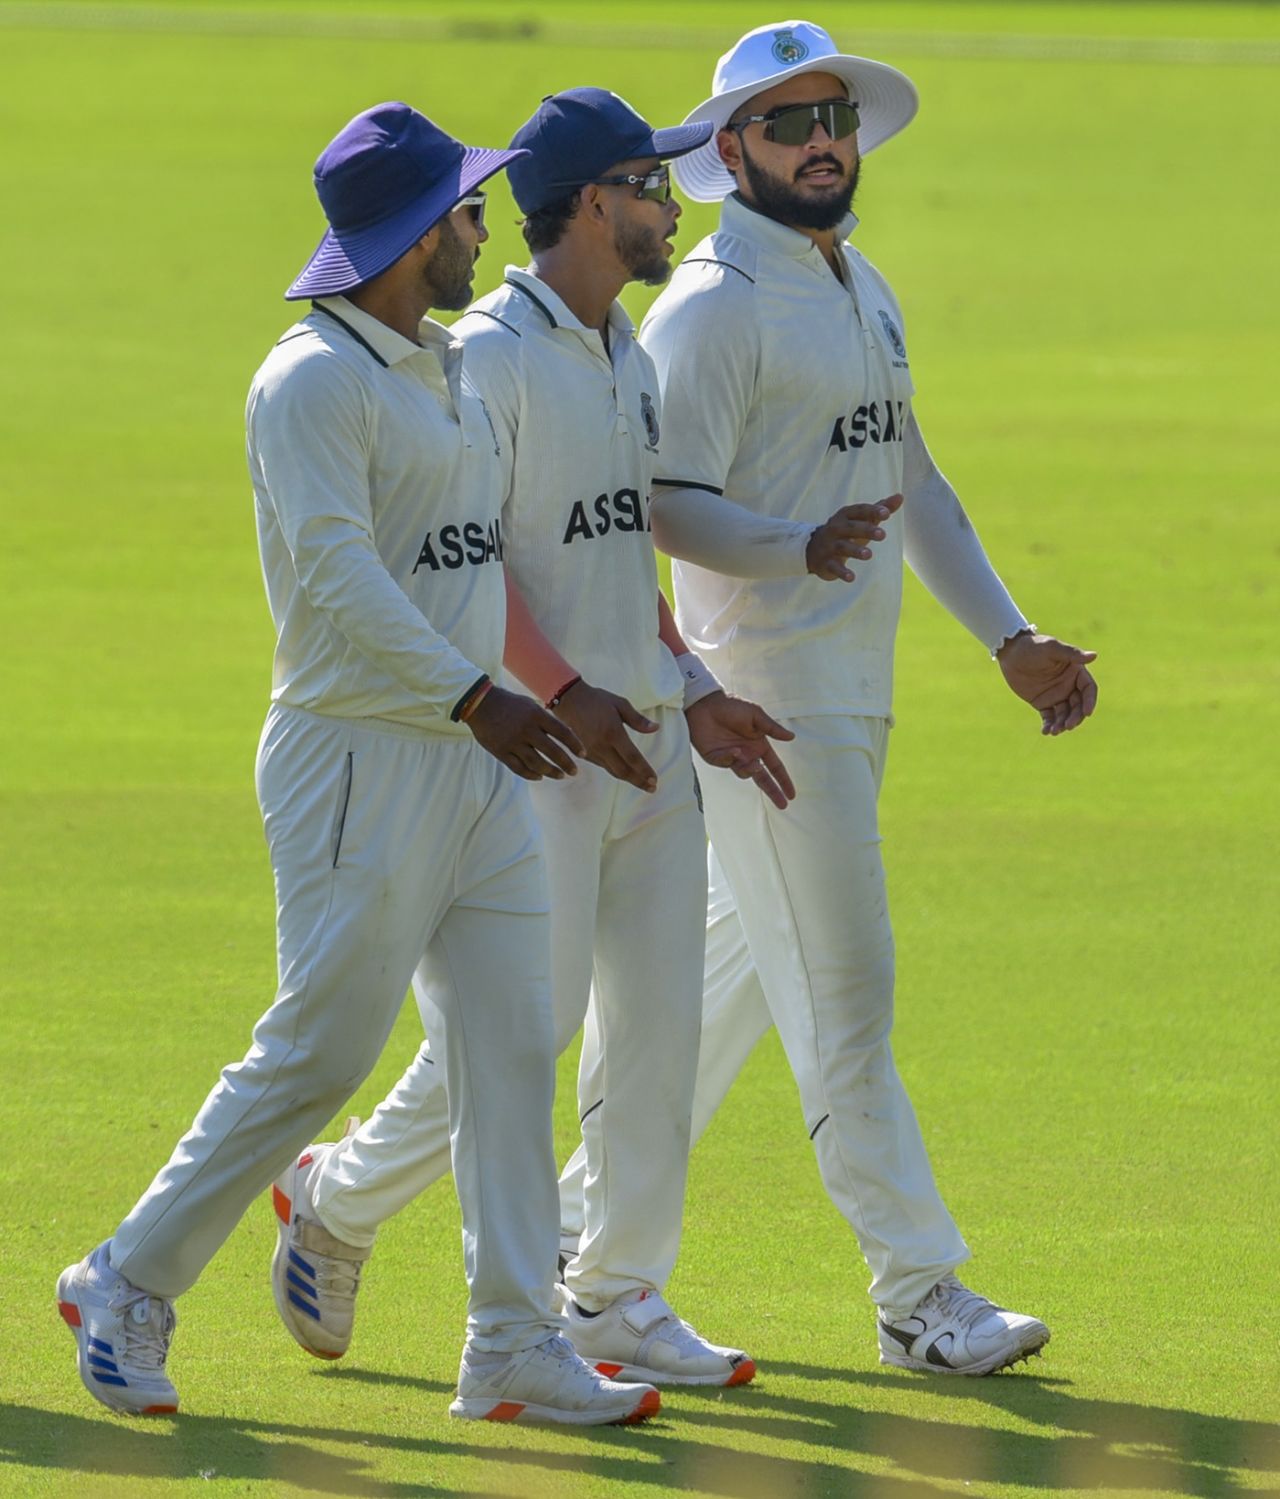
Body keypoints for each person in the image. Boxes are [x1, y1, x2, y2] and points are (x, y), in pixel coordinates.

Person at [56, 101, 662, 1427]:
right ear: (406, 236)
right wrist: (474, 695)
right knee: (316, 1056)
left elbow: (472, 557)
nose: (483, 225)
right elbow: (335, 580)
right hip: (358, 762)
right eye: (462, 210)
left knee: (514, 1042)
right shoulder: (310, 381)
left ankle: (509, 1343)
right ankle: (123, 1281)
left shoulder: (437, 360)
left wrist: (526, 693)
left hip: (472, 762)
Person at [561, 20, 1099, 1378]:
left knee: (707, 1005)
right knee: (847, 995)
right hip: (764, 704)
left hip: (852, 695)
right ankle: (922, 1295)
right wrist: (789, 549)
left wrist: (1008, 636)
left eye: (835, 120)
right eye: (789, 124)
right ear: (730, 146)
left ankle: (549, 1247)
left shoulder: (856, 283)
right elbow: (660, 503)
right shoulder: (714, 308)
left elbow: (909, 474)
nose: (821, 144)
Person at [266, 89, 795, 1389]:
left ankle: (612, 1295)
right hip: (538, 758)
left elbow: (619, 565)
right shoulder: (488, 356)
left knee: (656, 1039)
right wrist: (562, 691)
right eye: (652, 185)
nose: (674, 206)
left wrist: (691, 684)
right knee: (519, 1034)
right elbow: (465, 561)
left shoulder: (628, 353)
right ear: (593, 202)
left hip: (653, 741)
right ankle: (335, 1199)